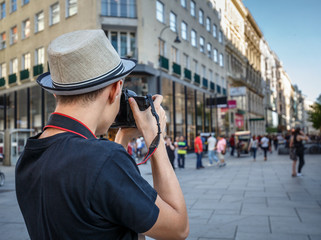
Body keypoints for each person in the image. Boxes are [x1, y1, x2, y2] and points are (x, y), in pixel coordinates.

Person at [15, 30, 189, 240]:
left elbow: (99, 200)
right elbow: (178, 228)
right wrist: (155, 136)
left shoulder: (29, 155)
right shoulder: (103, 160)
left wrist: (122, 139)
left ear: (55, 92)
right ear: (116, 89)